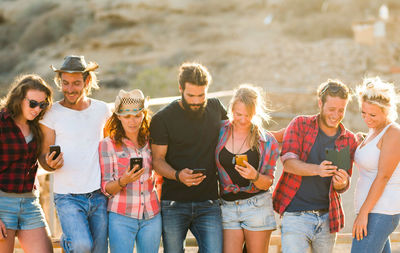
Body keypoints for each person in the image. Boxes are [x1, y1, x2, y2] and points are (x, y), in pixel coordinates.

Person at [273, 80, 358, 253]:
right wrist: (317, 170)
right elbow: (288, 163)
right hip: (296, 215)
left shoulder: (349, 139)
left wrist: (341, 183)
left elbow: (344, 185)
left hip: (328, 218)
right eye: (331, 109)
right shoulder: (300, 124)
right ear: (320, 103)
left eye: (341, 110)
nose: (336, 115)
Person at [150, 62, 227, 253]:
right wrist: (178, 175)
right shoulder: (162, 119)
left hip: (209, 202)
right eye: (190, 95)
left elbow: (237, 133)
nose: (196, 101)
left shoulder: (216, 107)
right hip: (174, 203)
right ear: (180, 89)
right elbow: (157, 161)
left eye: (201, 95)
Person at [39, 55, 111, 253]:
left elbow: (111, 150)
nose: (70, 89)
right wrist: (49, 163)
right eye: (65, 83)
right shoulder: (51, 113)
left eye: (76, 83)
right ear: (60, 82)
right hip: (67, 196)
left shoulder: (103, 110)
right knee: (81, 245)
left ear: (87, 82)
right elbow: (43, 156)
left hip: (98, 194)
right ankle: (68, 241)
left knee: (99, 250)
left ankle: (70, 238)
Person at [215, 84, 279, 253]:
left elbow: (267, 183)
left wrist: (255, 176)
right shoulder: (219, 132)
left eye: (248, 115)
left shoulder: (267, 142)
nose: (242, 119)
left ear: (255, 113)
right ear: (231, 109)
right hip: (228, 206)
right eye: (238, 114)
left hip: (257, 205)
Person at [99, 89, 161, 253]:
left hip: (151, 215)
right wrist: (123, 181)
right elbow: (105, 188)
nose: (133, 121)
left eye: (137, 115)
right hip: (121, 217)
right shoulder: (108, 144)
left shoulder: (152, 139)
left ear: (144, 114)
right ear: (118, 116)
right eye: (127, 116)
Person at [0, 74, 53, 253]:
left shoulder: (38, 126)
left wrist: (51, 161)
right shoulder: (1, 122)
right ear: (19, 98)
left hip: (30, 202)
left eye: (42, 104)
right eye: (33, 103)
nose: (37, 109)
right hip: (2, 202)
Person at [351, 77, 400, 253]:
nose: (367, 119)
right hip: (372, 210)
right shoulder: (373, 132)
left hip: (382, 211)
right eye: (363, 113)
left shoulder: (394, 133)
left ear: (387, 111)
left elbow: (383, 176)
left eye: (373, 115)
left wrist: (363, 213)